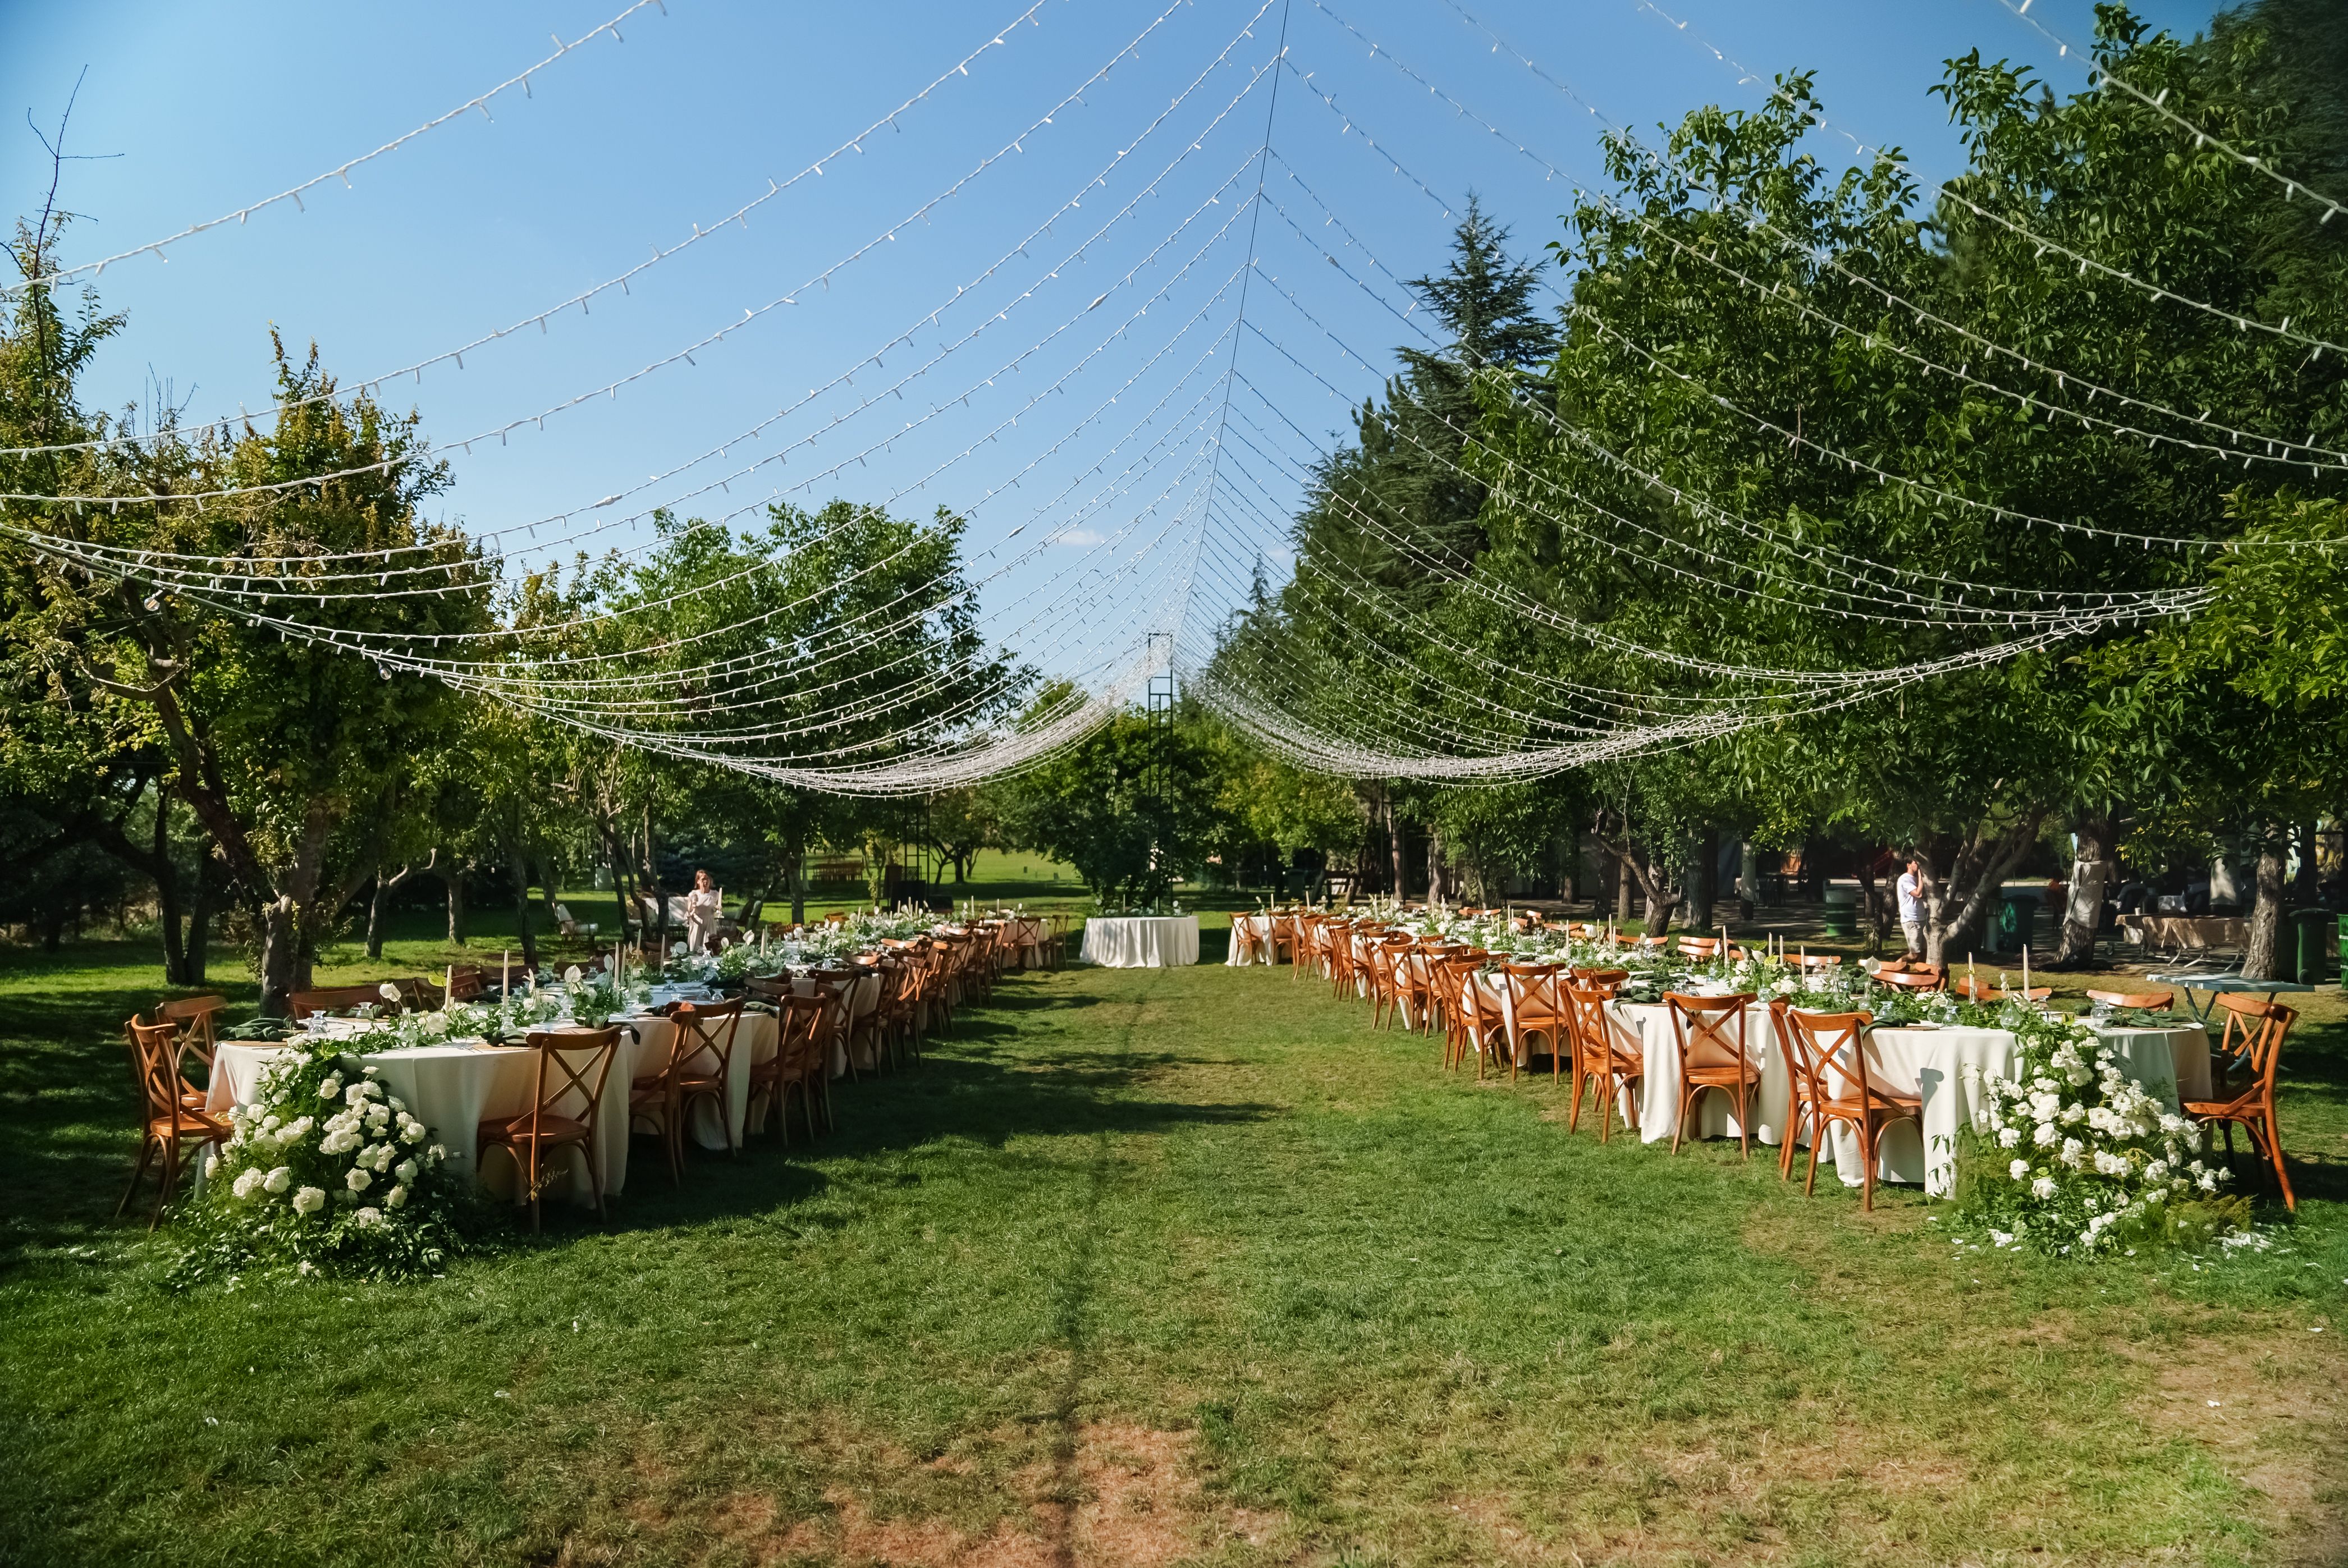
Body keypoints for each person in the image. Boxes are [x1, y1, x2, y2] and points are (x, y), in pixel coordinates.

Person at [1896, 855, 1928, 958]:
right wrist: (1921, 877)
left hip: (1921, 918)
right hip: (1911, 920)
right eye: (1916, 863)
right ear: (1909, 865)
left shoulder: (1915, 879)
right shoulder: (1904, 879)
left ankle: (1920, 974)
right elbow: (1918, 894)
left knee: (1924, 953)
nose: (1918, 865)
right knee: (1915, 955)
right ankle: (1894, 969)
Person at [683, 868, 724, 953]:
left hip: (709, 924)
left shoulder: (715, 894)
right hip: (697, 924)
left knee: (709, 949)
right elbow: (689, 911)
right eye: (703, 879)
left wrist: (718, 910)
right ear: (698, 881)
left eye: (707, 879)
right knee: (695, 950)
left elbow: (717, 909)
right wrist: (689, 916)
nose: (706, 881)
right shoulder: (693, 895)